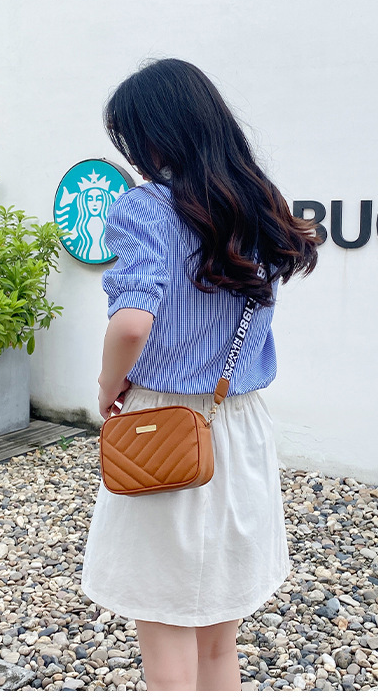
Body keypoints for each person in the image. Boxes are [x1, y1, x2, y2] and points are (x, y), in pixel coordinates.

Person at [81, 58, 320, 691]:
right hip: (237, 430)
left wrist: (108, 384)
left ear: (155, 136)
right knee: (218, 641)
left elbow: (131, 324)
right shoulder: (259, 205)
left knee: (164, 628)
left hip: (161, 428)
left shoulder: (145, 209)